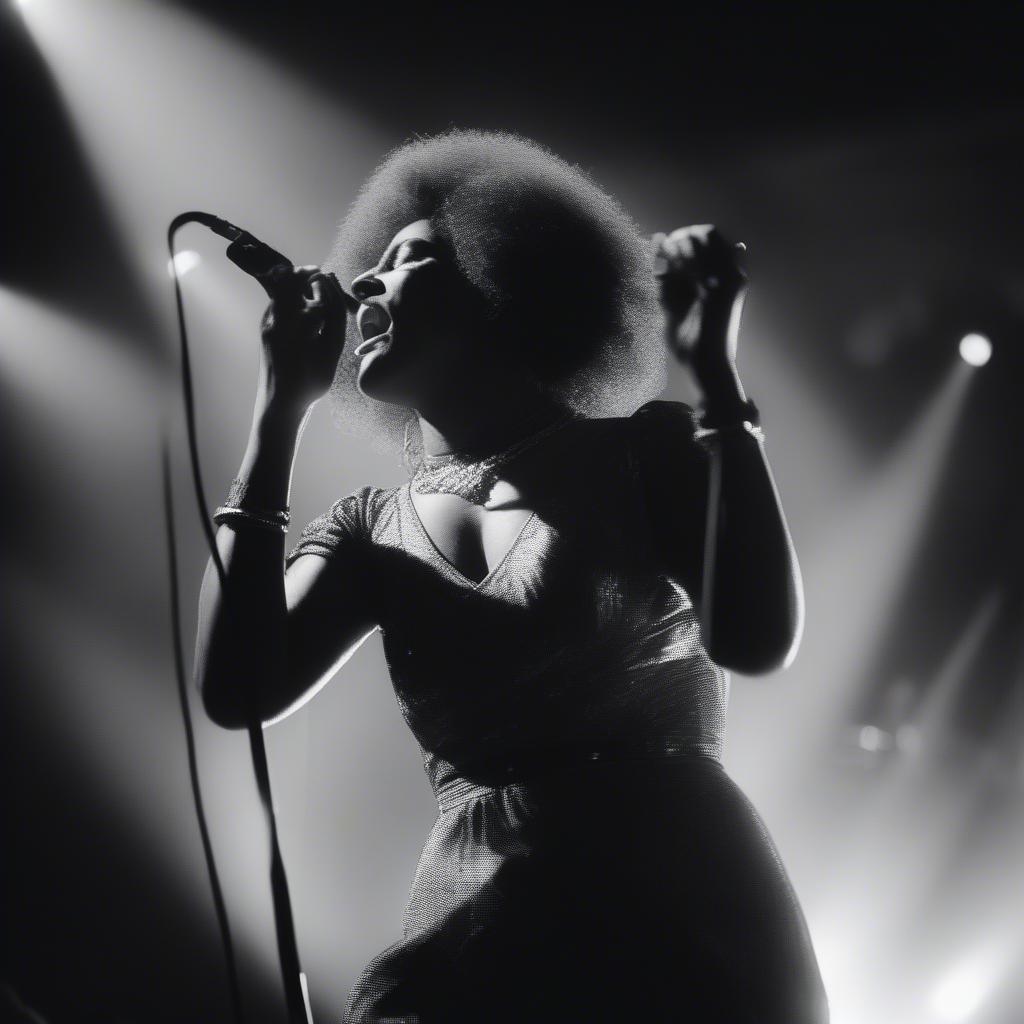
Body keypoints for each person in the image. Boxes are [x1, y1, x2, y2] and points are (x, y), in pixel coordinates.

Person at [194, 130, 830, 1023]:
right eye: (367, 269)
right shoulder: (369, 531)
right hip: (477, 918)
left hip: (675, 901)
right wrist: (278, 414)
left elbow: (757, 638)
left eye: (408, 260)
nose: (366, 284)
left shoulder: (643, 451)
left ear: (507, 284)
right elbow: (236, 689)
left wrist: (717, 384)